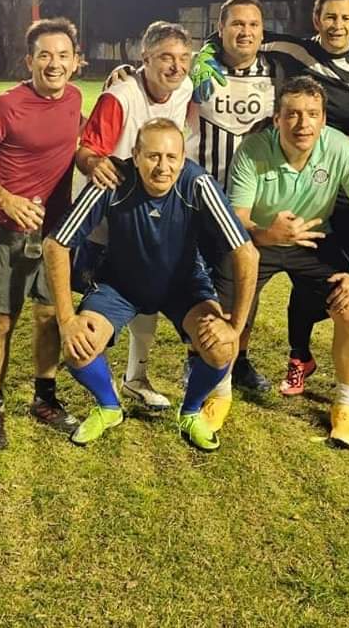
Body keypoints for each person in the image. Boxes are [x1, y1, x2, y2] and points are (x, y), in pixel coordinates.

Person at [43, 118, 258, 450]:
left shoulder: (198, 183)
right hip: (120, 286)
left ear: (183, 157)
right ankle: (109, 407)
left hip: (182, 285)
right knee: (77, 346)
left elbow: (246, 253)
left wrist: (235, 326)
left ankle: (189, 413)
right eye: (153, 156)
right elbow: (55, 245)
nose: (163, 167)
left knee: (221, 348)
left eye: (172, 158)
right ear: (135, 155)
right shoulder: (113, 180)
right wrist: (67, 320)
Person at [102, 0, 281, 394]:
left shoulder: (274, 69)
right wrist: (130, 71)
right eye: (237, 23)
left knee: (237, 278)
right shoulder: (193, 71)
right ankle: (176, 364)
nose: (245, 31)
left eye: (254, 24)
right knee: (170, 274)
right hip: (191, 194)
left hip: (247, 197)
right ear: (221, 29)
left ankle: (236, 358)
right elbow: (162, 67)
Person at [220, 76, 349, 448]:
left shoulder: (338, 149)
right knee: (229, 313)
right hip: (257, 239)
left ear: (324, 119)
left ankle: (344, 406)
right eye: (292, 114)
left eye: (312, 114)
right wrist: (269, 234)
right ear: (277, 118)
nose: (303, 123)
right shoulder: (252, 150)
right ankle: (219, 391)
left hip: (313, 242)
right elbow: (237, 219)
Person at [0, 17, 83, 451]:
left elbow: (74, 140)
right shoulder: (5, 105)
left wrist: (92, 162)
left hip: (57, 234)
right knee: (2, 321)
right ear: (29, 60)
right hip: (10, 231)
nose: (54, 64)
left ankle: (44, 399)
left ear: (75, 61)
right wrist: (5, 197)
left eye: (63, 56)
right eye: (45, 55)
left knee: (49, 315)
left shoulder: (74, 99)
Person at [75, 21, 195, 412]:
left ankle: (136, 377)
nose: (176, 67)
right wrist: (95, 163)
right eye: (165, 58)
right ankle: (101, 382)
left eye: (183, 58)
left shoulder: (187, 89)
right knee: (103, 301)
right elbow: (88, 149)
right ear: (144, 59)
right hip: (106, 221)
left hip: (151, 215)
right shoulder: (122, 96)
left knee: (148, 293)